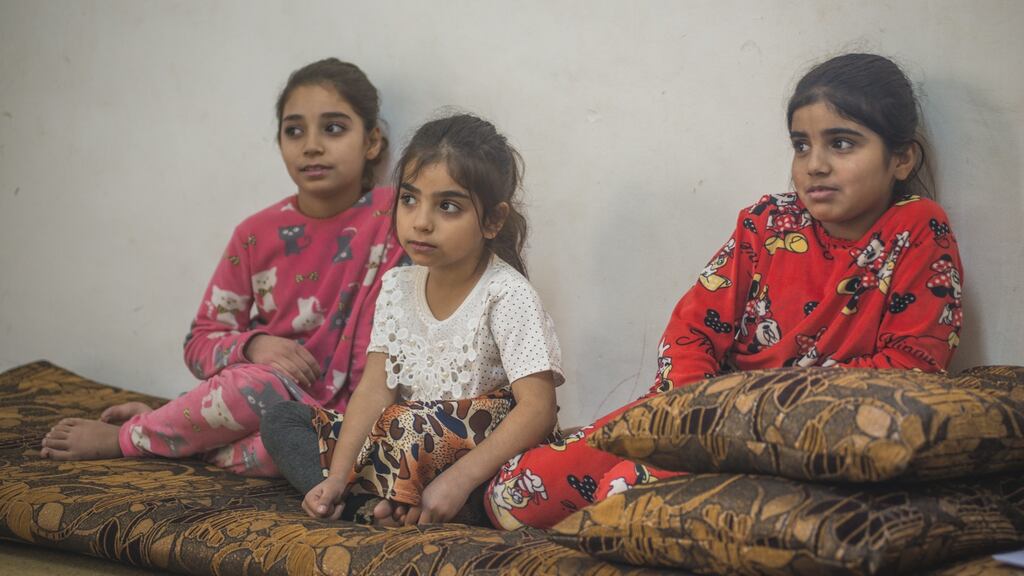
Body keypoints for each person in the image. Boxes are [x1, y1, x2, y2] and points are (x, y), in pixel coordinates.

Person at [486, 52, 965, 530]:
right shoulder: (767, 223)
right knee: (515, 489)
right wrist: (694, 416)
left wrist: (756, 409)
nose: (815, 165)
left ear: (902, 158)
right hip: (699, 415)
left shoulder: (918, 229)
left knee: (625, 498)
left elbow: (913, 367)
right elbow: (691, 332)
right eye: (801, 145)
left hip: (799, 439)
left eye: (841, 144)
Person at [40, 58, 405, 476]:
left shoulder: (397, 217)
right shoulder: (255, 234)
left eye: (334, 128)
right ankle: (131, 438)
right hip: (275, 396)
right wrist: (254, 346)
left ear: (372, 142)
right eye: (294, 130)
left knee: (291, 447)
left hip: (350, 421)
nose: (312, 145)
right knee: (255, 387)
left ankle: (170, 434)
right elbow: (200, 342)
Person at [261, 113, 563, 526]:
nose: (421, 221)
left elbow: (538, 410)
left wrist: (458, 480)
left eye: (448, 206)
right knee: (285, 419)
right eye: (409, 199)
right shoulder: (397, 286)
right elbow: (374, 390)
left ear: (492, 220)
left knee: (409, 424)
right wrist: (335, 477)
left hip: (478, 460)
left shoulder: (506, 295)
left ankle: (432, 502)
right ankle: (368, 505)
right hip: (407, 444)